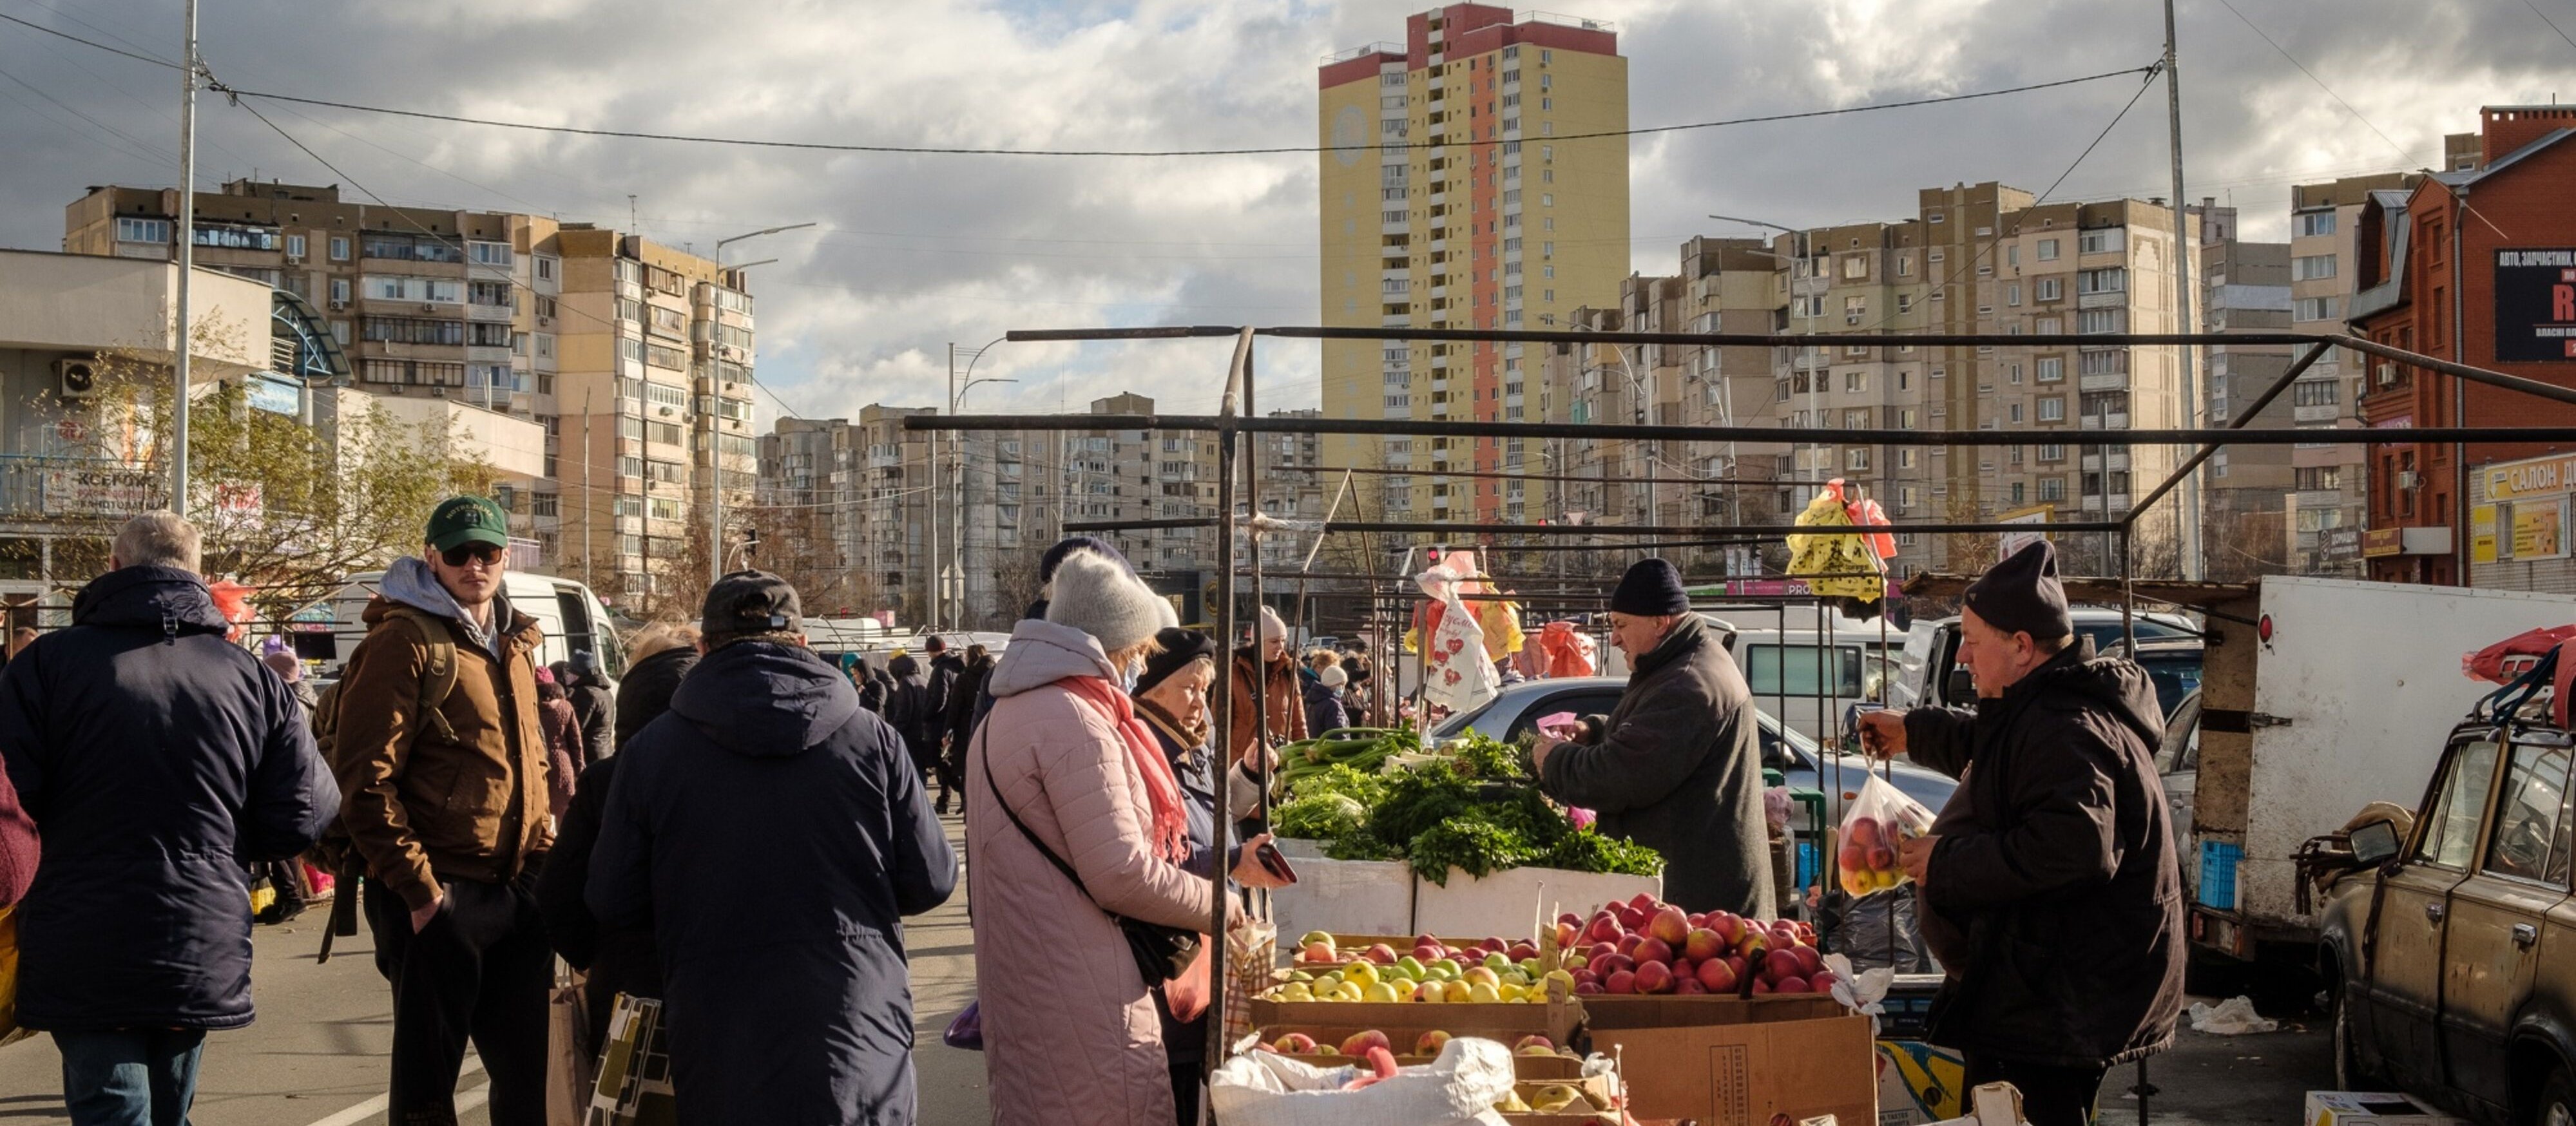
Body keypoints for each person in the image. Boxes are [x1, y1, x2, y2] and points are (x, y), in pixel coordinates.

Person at [0, 512, 338, 1125]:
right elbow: (305, 813)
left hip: (80, 926)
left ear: (113, 567)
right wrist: (225, 849)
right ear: (199, 574)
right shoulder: (250, 678)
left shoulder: (44, 666)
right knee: (167, 1109)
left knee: (112, 1108)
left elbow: (10, 804)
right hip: (200, 925)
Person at [588, 571, 957, 1125]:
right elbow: (931, 879)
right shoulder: (873, 739)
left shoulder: (651, 753)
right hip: (856, 1022)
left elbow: (612, 897)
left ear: (705, 647)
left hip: (718, 1027)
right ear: (804, 644)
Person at [1852, 541, 2183, 1126]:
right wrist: (1915, 732)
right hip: (2043, 987)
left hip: (2059, 1001)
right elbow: (2002, 753)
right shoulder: (2041, 710)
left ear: (2022, 648)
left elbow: (2075, 848)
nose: (1962, 659)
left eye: (1973, 644)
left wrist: (1946, 862)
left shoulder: (2067, 728)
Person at [968, 550, 1240, 1126]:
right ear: (1111, 645)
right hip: (1081, 986)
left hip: (1029, 975)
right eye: (1138, 653)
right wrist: (1220, 904)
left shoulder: (1009, 712)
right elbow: (1120, 870)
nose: (1139, 667)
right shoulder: (1076, 719)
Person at [335, 494, 557, 1126]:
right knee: (428, 1093)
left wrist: (541, 865)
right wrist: (423, 892)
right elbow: (365, 781)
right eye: (459, 552)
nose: (474, 564)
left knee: (532, 1080)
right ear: (432, 557)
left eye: (486, 551)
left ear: (504, 557)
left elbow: (530, 762)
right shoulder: (403, 640)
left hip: (514, 891)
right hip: (438, 896)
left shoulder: (515, 640)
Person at [1530, 558, 1775, 918]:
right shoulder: (1681, 662)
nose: (1614, 638)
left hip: (1702, 913)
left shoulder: (1689, 684)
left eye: (1621, 625)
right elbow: (1649, 732)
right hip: (1694, 899)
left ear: (1660, 623)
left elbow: (1620, 775)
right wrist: (1593, 730)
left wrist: (1553, 761)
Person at [1131, 627, 1287, 1125]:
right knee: (1173, 1090)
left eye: (1206, 689)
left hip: (1205, 940)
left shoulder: (1192, 743)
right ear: (1151, 691)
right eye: (1190, 689)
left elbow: (1215, 815)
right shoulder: (1139, 752)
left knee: (1201, 1082)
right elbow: (1149, 859)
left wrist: (1247, 775)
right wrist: (1230, 862)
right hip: (1168, 959)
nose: (1201, 702)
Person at [539, 623, 696, 1054]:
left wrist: (596, 955)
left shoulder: (608, 779)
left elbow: (559, 891)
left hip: (626, 990)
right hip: (719, 990)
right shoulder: (734, 772)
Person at [1224, 607, 1306, 767]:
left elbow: (1298, 722)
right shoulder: (1234, 674)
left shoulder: (1288, 673)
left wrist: (1303, 757)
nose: (1280, 646)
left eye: (1283, 640)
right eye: (1274, 641)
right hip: (1243, 764)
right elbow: (1220, 723)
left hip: (1281, 762)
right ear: (1259, 642)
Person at [939, 644, 996, 816]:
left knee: (966, 770)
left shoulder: (964, 678)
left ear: (970, 657)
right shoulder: (994, 675)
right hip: (991, 728)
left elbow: (954, 708)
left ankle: (967, 806)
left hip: (967, 730)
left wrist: (947, 732)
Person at [532, 667, 583, 817]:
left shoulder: (530, 708)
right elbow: (576, 741)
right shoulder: (565, 707)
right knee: (564, 813)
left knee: (541, 811)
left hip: (538, 761)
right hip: (562, 762)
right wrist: (579, 768)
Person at [923, 636, 965, 811]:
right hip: (951, 721)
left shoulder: (941, 670)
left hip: (939, 722)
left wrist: (926, 714)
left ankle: (963, 791)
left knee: (938, 760)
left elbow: (940, 698)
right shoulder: (955, 666)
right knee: (945, 761)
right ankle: (944, 801)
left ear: (931, 651)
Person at [885, 653, 936, 787]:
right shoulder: (923, 679)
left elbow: (903, 713)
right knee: (920, 772)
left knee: (912, 775)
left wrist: (892, 731)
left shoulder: (906, 682)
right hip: (922, 734)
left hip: (910, 736)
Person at [564, 650, 614, 768]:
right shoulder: (605, 691)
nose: (566, 676)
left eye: (569, 672)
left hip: (590, 755)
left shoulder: (585, 693)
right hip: (605, 751)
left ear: (577, 674)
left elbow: (576, 727)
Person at [1300, 649, 1350, 736]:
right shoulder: (1308, 682)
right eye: (1329, 668)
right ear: (1319, 667)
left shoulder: (1316, 691)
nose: (1331, 672)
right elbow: (1339, 734)